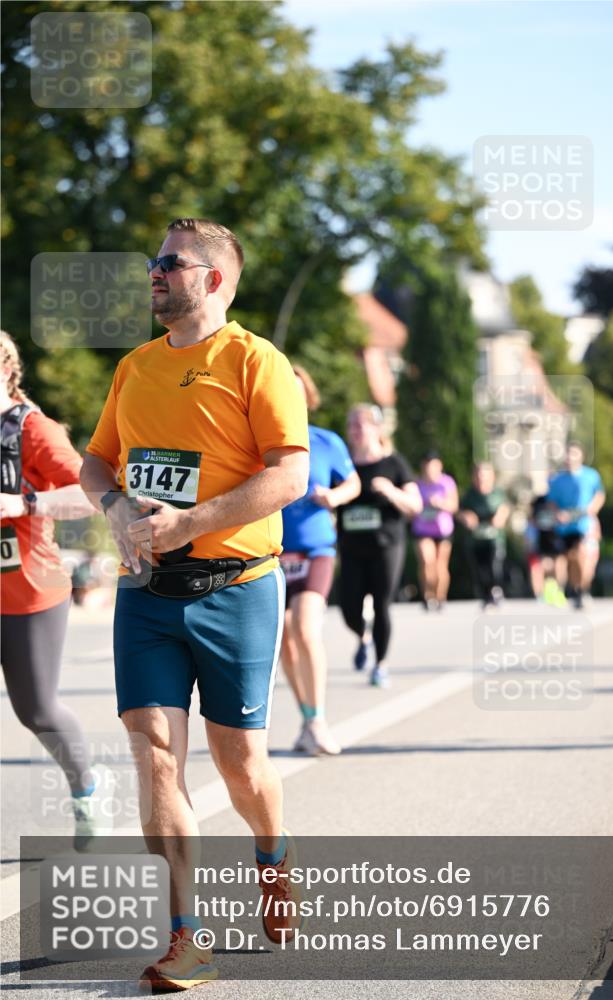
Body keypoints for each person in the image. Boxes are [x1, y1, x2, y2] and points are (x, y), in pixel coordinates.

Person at [80, 219, 310, 992]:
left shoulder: (254, 362)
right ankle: (187, 937)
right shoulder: (135, 367)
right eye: (152, 262)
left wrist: (190, 524)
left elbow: (288, 476)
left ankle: (272, 858)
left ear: (211, 279)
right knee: (154, 755)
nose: (152, 272)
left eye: (167, 263)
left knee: (240, 765)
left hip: (236, 588)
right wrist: (113, 506)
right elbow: (95, 461)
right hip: (146, 593)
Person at [0, 330, 100, 847]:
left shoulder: (32, 430)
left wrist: (25, 505)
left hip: (29, 593)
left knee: (35, 709)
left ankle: (85, 790)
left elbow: (89, 494)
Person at [279, 364, 360, 755]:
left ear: (308, 397)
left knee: (303, 628)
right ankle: (307, 716)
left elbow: (353, 482)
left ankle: (319, 720)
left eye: (297, 391)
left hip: (316, 550)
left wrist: (336, 498)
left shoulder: (326, 442)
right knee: (283, 644)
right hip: (274, 553)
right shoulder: (262, 443)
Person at [337, 404, 422, 689]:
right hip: (350, 547)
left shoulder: (394, 463)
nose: (356, 431)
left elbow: (415, 505)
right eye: (352, 426)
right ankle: (364, 637)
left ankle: (380, 665)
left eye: (362, 425)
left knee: (382, 604)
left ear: (376, 428)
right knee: (348, 608)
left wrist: (391, 491)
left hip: (387, 545)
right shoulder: (343, 464)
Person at [546, 443, 605, 609]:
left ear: (581, 456)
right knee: (564, 560)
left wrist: (591, 510)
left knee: (581, 556)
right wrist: (558, 513)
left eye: (573, 454)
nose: (569, 457)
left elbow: (599, 495)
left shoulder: (591, 475)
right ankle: (569, 589)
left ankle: (581, 590)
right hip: (564, 526)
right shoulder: (557, 480)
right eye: (567, 454)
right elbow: (551, 502)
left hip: (582, 524)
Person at [458, 462, 509, 609]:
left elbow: (505, 508)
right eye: (478, 474)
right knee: (480, 570)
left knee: (494, 565)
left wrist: (500, 515)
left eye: (484, 474)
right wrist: (465, 516)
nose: (481, 478)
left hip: (494, 538)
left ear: (491, 476)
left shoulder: (498, 494)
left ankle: (496, 591)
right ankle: (486, 596)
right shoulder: (469, 495)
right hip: (475, 539)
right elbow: (459, 511)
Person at [411, 452, 458, 611]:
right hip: (422, 529)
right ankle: (427, 595)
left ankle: (440, 597)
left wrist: (440, 504)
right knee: (426, 561)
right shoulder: (417, 484)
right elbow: (411, 507)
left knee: (440, 565)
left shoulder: (447, 483)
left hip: (443, 529)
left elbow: (454, 506)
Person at [525, 494, 566, 606]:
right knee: (536, 566)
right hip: (539, 544)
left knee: (559, 562)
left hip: (554, 541)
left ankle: (559, 590)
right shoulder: (533, 523)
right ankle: (539, 595)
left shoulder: (560, 505)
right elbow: (529, 538)